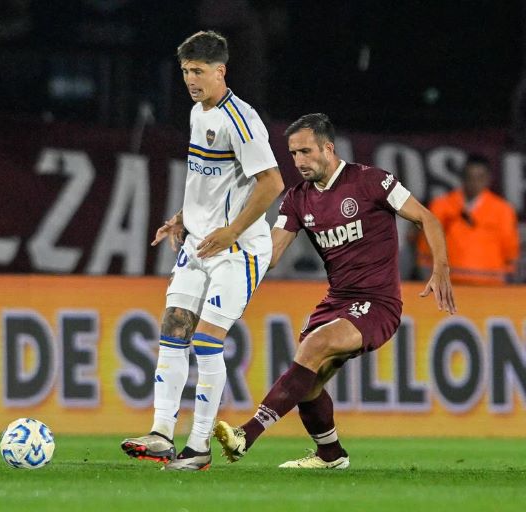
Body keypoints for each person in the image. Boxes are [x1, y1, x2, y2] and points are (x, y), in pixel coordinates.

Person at [214, 113, 456, 469]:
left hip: (378, 303)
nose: (299, 161)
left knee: (313, 347)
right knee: (308, 381)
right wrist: (229, 271)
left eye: (306, 152)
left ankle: (245, 435)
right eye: (293, 154)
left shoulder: (373, 181)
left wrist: (440, 268)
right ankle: (331, 454)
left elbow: (427, 218)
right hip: (337, 302)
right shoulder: (297, 199)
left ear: (328, 147)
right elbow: (272, 252)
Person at [120, 30, 285, 471]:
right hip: (198, 243)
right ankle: (160, 434)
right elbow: (208, 184)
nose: (191, 80)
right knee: (174, 327)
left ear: (220, 71)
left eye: (198, 71)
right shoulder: (198, 113)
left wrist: (231, 231)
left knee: (208, 341)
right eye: (186, 71)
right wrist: (182, 217)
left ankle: (198, 448)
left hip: (239, 250)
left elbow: (273, 184)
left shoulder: (242, 119)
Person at [417, 154, 519, 285]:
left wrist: (509, 278)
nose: (474, 183)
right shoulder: (441, 205)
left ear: (488, 179)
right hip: (449, 283)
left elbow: (510, 250)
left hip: (491, 284)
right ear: (462, 178)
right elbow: (426, 245)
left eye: (479, 178)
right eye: (469, 177)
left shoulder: (503, 209)